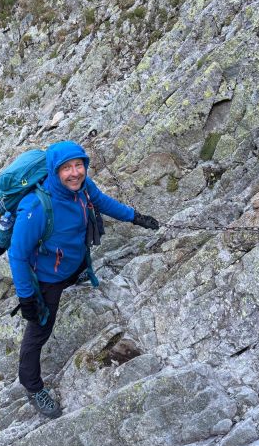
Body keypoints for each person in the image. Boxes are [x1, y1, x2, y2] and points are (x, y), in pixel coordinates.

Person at [8, 140, 159, 418]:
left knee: (75, 268)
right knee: (39, 330)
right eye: (66, 168)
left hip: (74, 261)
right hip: (48, 277)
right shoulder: (36, 207)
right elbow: (17, 255)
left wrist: (135, 217)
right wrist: (27, 297)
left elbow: (102, 202)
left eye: (79, 165)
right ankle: (32, 386)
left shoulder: (83, 187)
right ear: (55, 172)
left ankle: (74, 276)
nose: (75, 172)